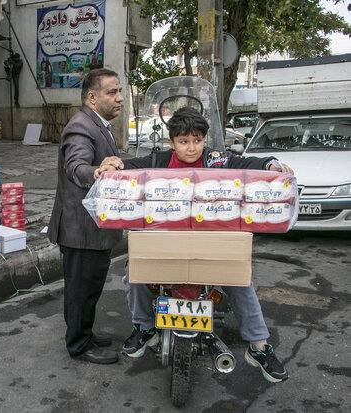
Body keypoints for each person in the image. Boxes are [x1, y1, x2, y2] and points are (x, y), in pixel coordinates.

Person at [95, 107, 292, 382]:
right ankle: (144, 328)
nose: (192, 148)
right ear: (172, 142)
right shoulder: (159, 161)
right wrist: (112, 165)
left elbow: (246, 164)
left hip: (212, 242)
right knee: (134, 272)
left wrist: (271, 164)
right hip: (164, 241)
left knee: (240, 279)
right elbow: (130, 166)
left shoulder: (216, 160)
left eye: (197, 140)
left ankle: (259, 346)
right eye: (184, 142)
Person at [47, 68, 124, 364]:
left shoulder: (99, 124)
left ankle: (85, 332)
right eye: (111, 92)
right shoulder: (81, 126)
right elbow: (76, 164)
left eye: (119, 91)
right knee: (80, 291)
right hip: (80, 229)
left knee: (89, 288)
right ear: (92, 97)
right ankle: (79, 345)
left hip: (93, 228)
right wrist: (95, 171)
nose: (119, 98)